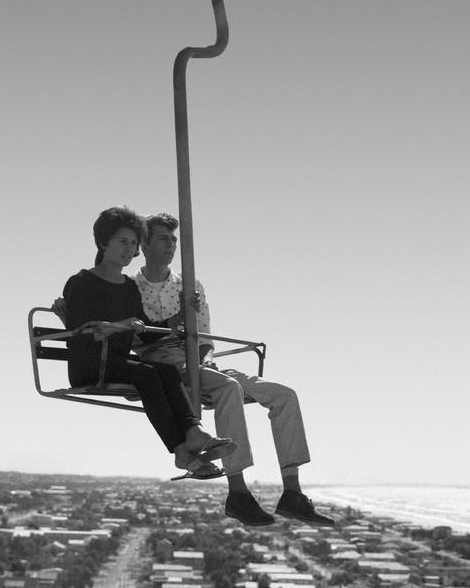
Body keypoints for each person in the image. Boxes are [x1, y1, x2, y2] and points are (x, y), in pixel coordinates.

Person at [134, 212, 334, 526]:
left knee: (284, 396)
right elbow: (137, 338)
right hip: (163, 363)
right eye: (163, 238)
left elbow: (204, 333)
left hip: (197, 361)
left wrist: (200, 359)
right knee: (229, 388)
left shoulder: (188, 285)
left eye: (174, 239)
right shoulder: (132, 289)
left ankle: (292, 492)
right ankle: (238, 491)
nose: (171, 245)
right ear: (144, 244)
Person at [60, 205, 236, 480]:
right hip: (91, 365)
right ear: (103, 242)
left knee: (164, 372)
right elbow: (80, 331)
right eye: (122, 242)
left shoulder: (128, 287)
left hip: (117, 363)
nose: (129, 249)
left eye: (133, 243)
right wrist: (120, 326)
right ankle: (182, 448)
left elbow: (146, 330)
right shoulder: (81, 282)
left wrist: (180, 314)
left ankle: (192, 434)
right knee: (148, 374)